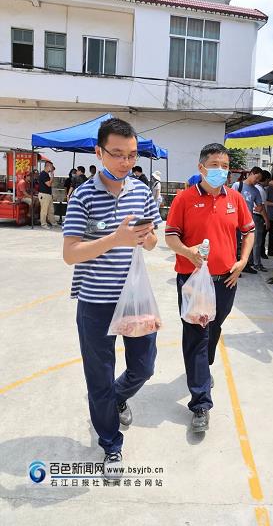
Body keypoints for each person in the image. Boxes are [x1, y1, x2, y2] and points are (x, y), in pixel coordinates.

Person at [63, 117, 162, 476]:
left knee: (144, 366)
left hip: (134, 298)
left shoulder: (141, 190)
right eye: (117, 154)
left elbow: (151, 241)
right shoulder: (83, 196)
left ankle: (118, 398)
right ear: (99, 152)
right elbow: (71, 253)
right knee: (99, 378)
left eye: (132, 155)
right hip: (95, 302)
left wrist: (147, 238)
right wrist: (113, 240)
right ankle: (110, 443)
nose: (125, 162)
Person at [165, 143, 254, 433]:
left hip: (226, 281)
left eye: (225, 166)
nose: (220, 171)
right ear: (201, 167)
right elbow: (171, 237)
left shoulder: (236, 199)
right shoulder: (184, 199)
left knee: (213, 329)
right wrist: (189, 253)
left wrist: (242, 261)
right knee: (197, 336)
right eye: (215, 165)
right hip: (193, 281)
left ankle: (203, 366)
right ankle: (201, 403)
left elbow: (249, 231)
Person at [232, 166, 263, 273]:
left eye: (259, 180)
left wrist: (259, 207)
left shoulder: (256, 191)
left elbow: (260, 206)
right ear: (251, 173)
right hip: (235, 220)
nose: (257, 181)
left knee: (247, 243)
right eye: (257, 178)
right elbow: (229, 201)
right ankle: (234, 266)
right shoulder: (237, 185)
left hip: (247, 222)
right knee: (235, 243)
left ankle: (245, 265)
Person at [253, 170, 270, 271]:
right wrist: (267, 220)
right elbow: (261, 208)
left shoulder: (256, 188)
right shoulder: (261, 190)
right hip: (257, 217)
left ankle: (252, 261)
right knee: (258, 242)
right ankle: (257, 263)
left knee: (254, 241)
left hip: (254, 216)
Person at [38, 161, 58, 229]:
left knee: (51, 210)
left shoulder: (46, 174)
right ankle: (43, 224)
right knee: (44, 210)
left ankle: (53, 223)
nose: (52, 169)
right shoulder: (43, 174)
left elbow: (49, 184)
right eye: (51, 167)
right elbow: (49, 184)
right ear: (48, 166)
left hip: (48, 194)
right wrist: (52, 176)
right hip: (44, 195)